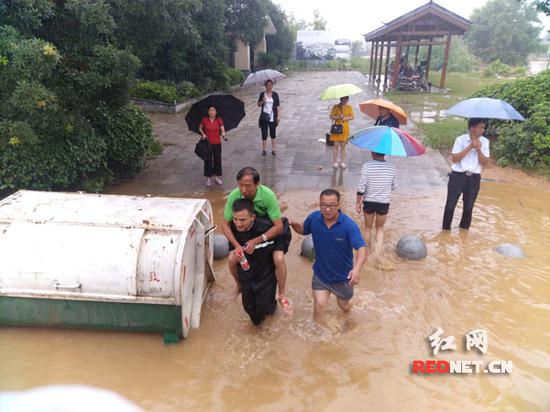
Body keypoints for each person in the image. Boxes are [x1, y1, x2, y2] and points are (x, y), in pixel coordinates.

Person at [289, 189, 367, 324]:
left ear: (338, 205)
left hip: (343, 278)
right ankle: (320, 337)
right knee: (319, 305)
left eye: (332, 205)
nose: (327, 209)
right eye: (323, 205)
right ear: (319, 204)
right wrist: (294, 224)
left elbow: (362, 248)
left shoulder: (348, 225)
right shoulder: (314, 218)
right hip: (321, 275)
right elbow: (303, 230)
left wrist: (357, 270)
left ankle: (350, 316)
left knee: (344, 306)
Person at [222, 167, 292, 311]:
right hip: (248, 229)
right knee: (231, 259)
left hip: (270, 228)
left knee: (278, 259)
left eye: (247, 185)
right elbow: (225, 224)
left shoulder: (268, 196)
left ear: (257, 183)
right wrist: (237, 246)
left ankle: (282, 293)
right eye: (240, 185)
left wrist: (256, 241)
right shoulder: (234, 195)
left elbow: (278, 226)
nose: (243, 189)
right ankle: (239, 285)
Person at [229, 199, 278, 325]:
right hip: (246, 273)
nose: (238, 224)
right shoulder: (233, 230)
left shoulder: (266, 226)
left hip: (265, 274)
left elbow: (282, 229)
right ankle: (257, 332)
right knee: (249, 308)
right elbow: (233, 252)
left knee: (266, 307)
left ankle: (272, 324)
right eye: (235, 219)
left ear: (253, 217)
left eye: (242, 220)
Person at [442, 118, 490, 230]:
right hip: (457, 176)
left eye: (483, 127)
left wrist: (478, 149)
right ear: (472, 128)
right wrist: (470, 147)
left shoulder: (485, 142)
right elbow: (455, 159)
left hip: (474, 178)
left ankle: (464, 233)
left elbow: (485, 163)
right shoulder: (460, 140)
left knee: (468, 208)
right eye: (480, 127)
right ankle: (445, 231)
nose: (483, 130)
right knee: (450, 205)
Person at [355, 151, 397, 254]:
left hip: (369, 201)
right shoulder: (392, 167)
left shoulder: (367, 166)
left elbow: (361, 187)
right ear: (385, 153)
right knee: (380, 228)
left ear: (372, 153)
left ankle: (366, 252)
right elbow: (394, 186)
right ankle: (378, 254)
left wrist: (358, 203)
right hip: (383, 203)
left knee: (368, 228)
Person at [199, 105, 226, 186]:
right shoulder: (204, 120)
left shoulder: (219, 120)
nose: (211, 112)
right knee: (208, 160)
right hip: (207, 144)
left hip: (217, 143)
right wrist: (203, 134)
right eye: (210, 110)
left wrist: (224, 134)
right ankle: (208, 178)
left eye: (213, 110)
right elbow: (200, 128)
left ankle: (217, 177)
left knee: (217, 160)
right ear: (208, 112)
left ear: (216, 112)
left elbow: (222, 129)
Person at [329, 96, 354, 169]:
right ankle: (335, 161)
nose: (345, 101)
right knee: (336, 145)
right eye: (344, 99)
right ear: (341, 99)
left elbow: (352, 116)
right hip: (337, 128)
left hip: (345, 129)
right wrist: (338, 117)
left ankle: (342, 161)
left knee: (343, 146)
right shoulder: (336, 107)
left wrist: (345, 118)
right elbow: (331, 116)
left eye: (347, 99)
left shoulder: (349, 107)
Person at [257, 79, 281, 156]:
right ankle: (264, 150)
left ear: (272, 85)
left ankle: (273, 149)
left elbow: (277, 106)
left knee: (273, 133)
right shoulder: (262, 94)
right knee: (264, 133)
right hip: (264, 117)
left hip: (272, 117)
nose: (269, 86)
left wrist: (278, 116)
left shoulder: (275, 95)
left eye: (270, 85)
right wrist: (263, 101)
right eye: (267, 85)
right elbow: (258, 104)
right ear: (265, 86)